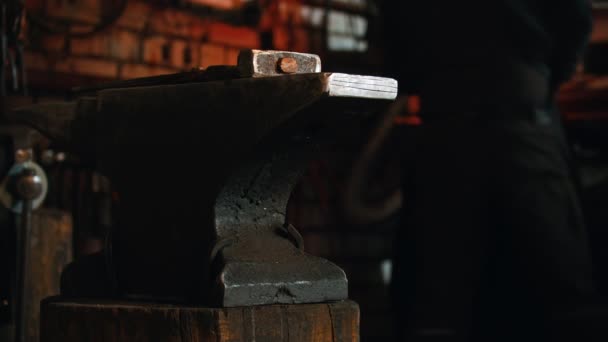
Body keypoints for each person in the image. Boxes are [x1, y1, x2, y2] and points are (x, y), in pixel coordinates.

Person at [380, 1, 598, 341]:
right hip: (522, 122)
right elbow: (575, 21)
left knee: (435, 298)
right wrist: (544, 77)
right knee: (563, 294)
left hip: (447, 128)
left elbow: (396, 49)